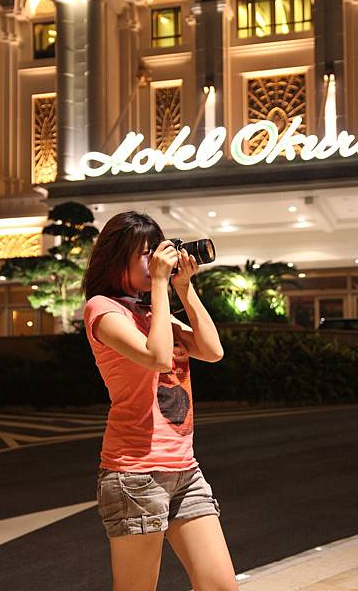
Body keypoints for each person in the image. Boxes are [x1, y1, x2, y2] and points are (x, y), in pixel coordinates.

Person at [81, 211, 238, 591]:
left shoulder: (152, 311)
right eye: (146, 254)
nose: (156, 261)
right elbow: (158, 358)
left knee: (221, 586)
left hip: (185, 470)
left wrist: (183, 288)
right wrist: (159, 285)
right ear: (117, 256)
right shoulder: (103, 309)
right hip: (134, 474)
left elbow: (212, 350)